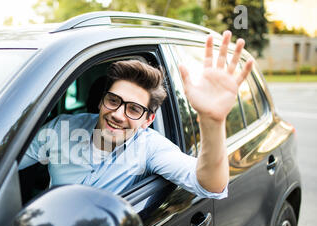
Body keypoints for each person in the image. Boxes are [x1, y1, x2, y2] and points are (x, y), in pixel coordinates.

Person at [20, 31, 253, 199]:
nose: (118, 115)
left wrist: (213, 122)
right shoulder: (62, 128)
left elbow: (211, 186)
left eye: (133, 109)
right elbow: (5, 162)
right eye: (113, 101)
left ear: (148, 120)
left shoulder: (151, 148)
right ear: (101, 101)